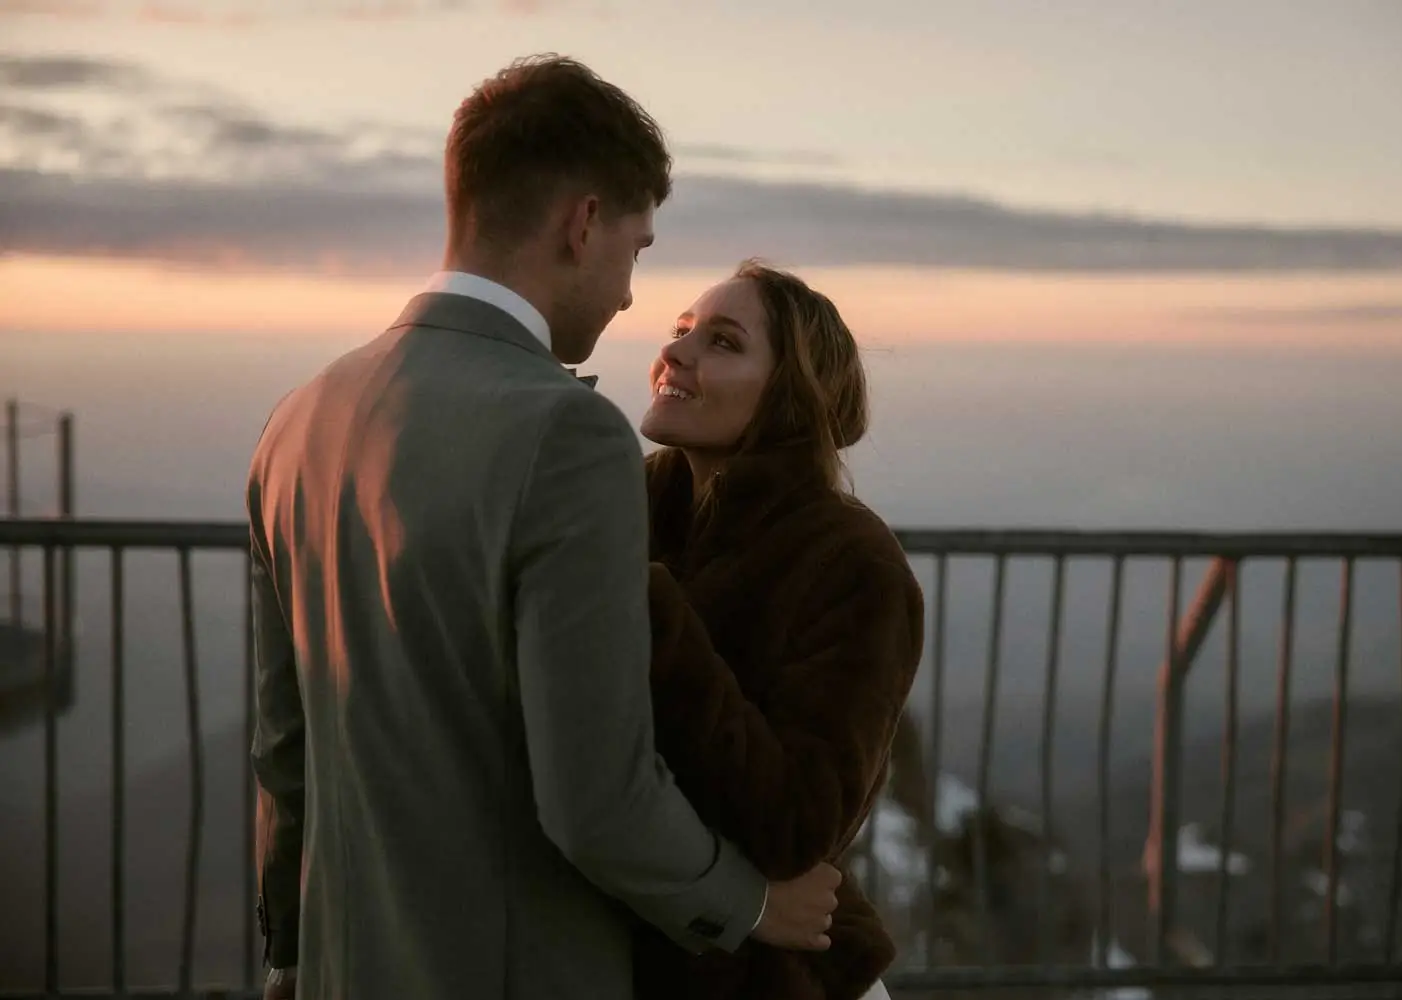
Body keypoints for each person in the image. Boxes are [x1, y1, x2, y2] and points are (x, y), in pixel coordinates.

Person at [246, 56, 842, 1000]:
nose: (630, 298)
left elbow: (286, 753)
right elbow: (596, 798)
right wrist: (752, 905)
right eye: (638, 251)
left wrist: (287, 948)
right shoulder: (565, 435)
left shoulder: (298, 419)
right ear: (584, 223)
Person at [632, 261, 926, 999]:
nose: (678, 353)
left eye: (723, 343)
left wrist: (649, 609)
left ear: (788, 399)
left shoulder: (852, 562)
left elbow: (800, 822)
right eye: (682, 331)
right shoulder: (626, 509)